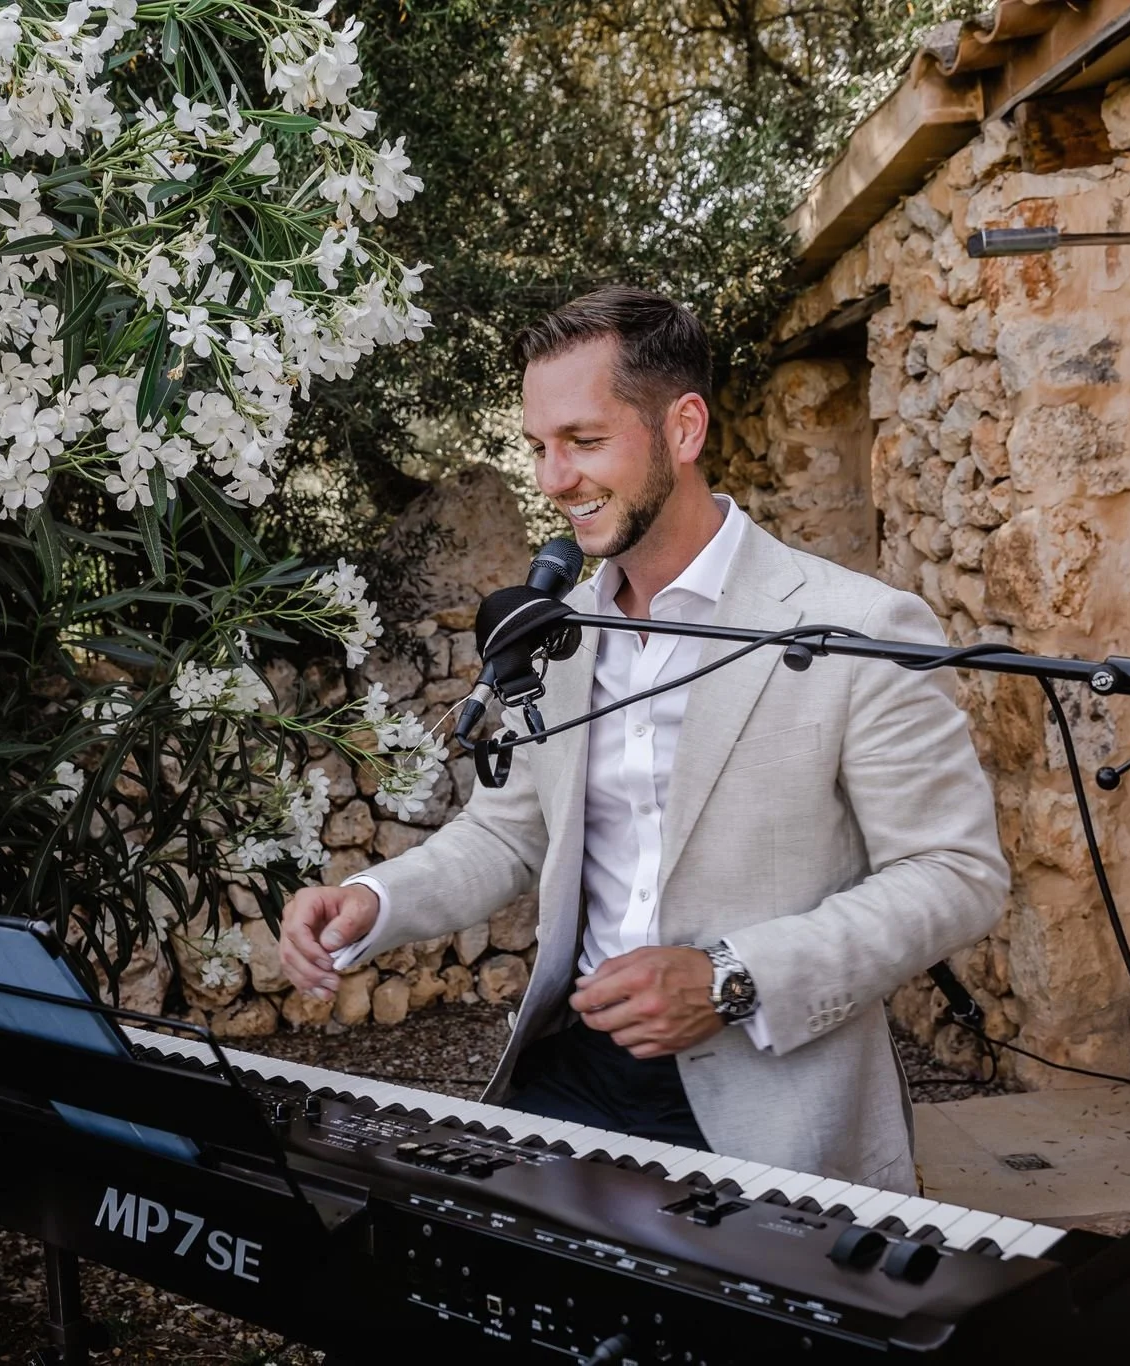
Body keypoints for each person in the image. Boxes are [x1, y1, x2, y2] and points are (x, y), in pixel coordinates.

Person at [279, 286, 1007, 1192]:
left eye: (584, 442)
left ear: (685, 429)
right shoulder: (566, 628)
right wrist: (373, 901)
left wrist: (729, 979)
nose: (552, 479)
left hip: (768, 1108)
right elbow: (509, 832)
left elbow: (957, 872)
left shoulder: (857, 624)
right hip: (568, 1073)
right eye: (539, 448)